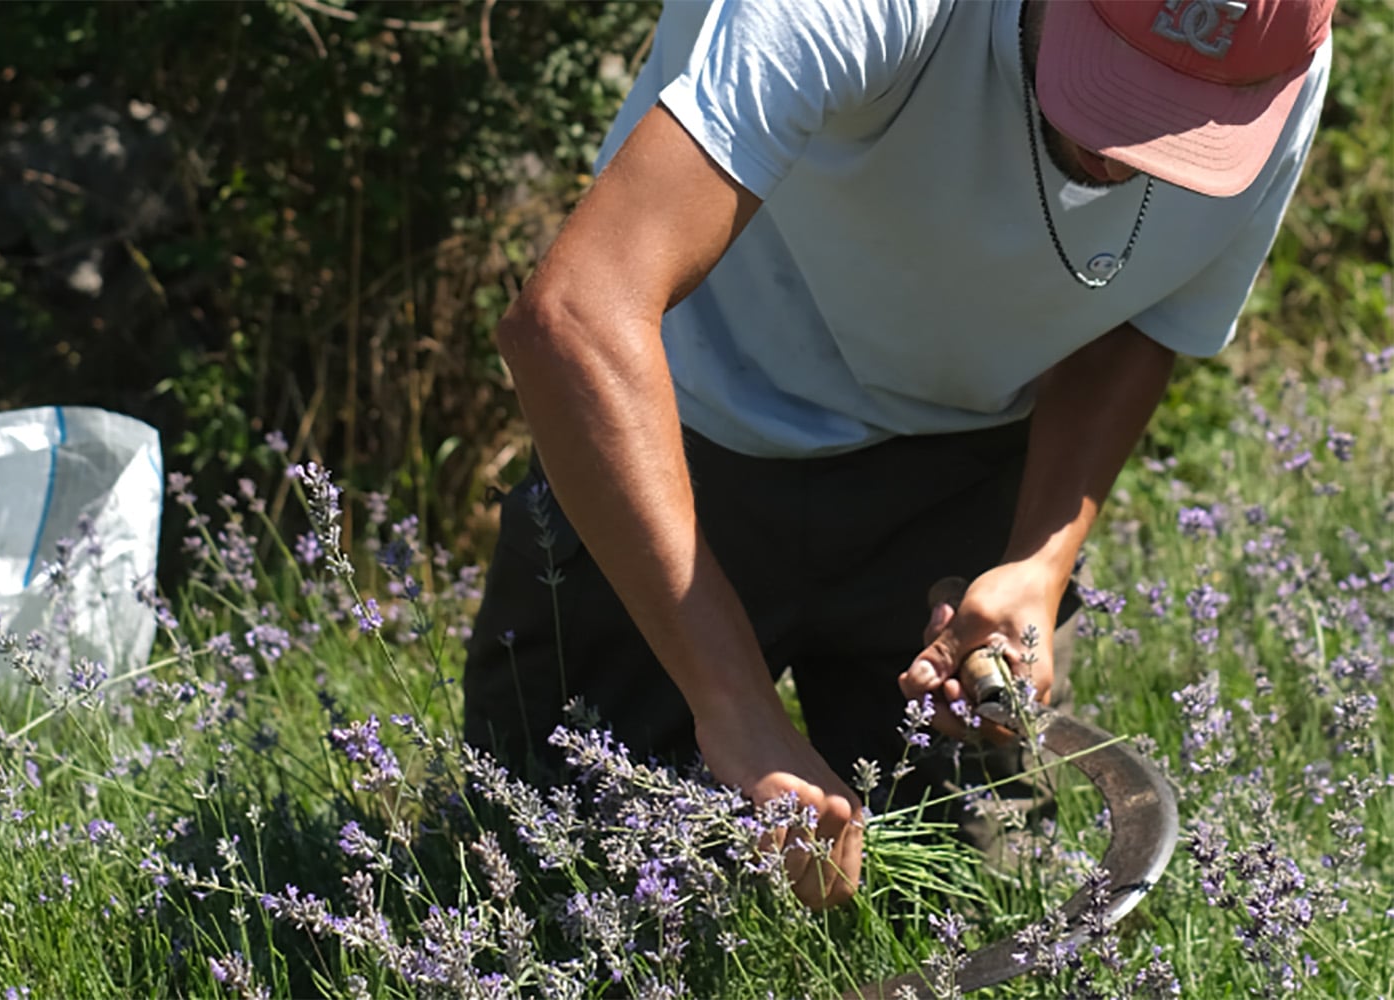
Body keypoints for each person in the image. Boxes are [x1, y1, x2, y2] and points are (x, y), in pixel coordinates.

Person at [462, 0, 1335, 910]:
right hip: (671, 444)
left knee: (981, 908)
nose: (1123, 158)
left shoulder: (1272, 59)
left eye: (1182, 119)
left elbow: (1145, 312)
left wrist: (1037, 560)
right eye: (1116, 87)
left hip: (962, 463)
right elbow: (572, 319)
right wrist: (739, 711)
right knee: (543, 877)